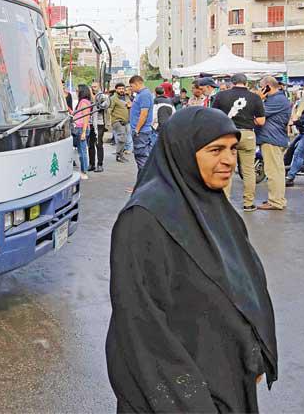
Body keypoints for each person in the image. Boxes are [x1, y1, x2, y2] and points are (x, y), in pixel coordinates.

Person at [106, 108, 278, 413]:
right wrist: (192, 401)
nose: (228, 160)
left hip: (227, 378)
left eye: (232, 149)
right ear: (182, 152)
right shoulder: (145, 218)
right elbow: (141, 324)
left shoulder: (211, 206)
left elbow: (246, 284)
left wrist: (254, 351)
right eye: (215, 150)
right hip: (184, 395)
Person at [212, 73, 266, 212]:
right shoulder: (255, 97)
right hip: (247, 134)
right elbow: (261, 121)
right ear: (246, 83)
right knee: (248, 170)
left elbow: (213, 116)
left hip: (227, 134)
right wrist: (249, 121)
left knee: (226, 168)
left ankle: (225, 203)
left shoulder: (221, 96)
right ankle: (248, 203)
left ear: (232, 83)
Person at [255, 76, 291, 211]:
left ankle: (275, 201)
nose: (259, 89)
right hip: (274, 138)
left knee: (273, 172)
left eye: (261, 86)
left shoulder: (277, 100)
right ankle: (278, 198)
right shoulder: (278, 99)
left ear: (267, 86)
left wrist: (258, 99)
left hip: (272, 139)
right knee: (277, 171)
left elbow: (258, 114)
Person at [128, 75, 154, 174]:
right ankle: (141, 185)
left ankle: (142, 185)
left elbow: (144, 114)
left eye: (132, 86)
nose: (131, 88)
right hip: (140, 131)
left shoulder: (144, 95)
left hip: (141, 132)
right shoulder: (140, 94)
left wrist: (137, 129)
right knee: (141, 158)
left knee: (141, 158)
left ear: (137, 83)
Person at [89, 81, 110, 173]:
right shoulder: (88, 96)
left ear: (99, 87)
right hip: (90, 123)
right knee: (90, 145)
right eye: (92, 87)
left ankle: (100, 164)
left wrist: (93, 97)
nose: (93, 88)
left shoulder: (103, 96)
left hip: (99, 123)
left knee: (99, 144)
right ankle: (91, 164)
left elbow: (102, 106)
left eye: (95, 87)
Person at [73, 85, 93, 180]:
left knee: (82, 151)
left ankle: (84, 171)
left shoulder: (84, 102)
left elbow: (86, 118)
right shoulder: (82, 102)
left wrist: (84, 132)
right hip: (78, 128)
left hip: (81, 129)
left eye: (77, 91)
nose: (76, 93)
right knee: (81, 151)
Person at [109, 83, 130, 163]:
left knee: (124, 139)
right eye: (119, 89)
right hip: (118, 121)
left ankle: (120, 155)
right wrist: (109, 122)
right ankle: (119, 156)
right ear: (116, 89)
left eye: (122, 88)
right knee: (122, 138)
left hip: (126, 121)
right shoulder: (113, 98)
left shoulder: (126, 97)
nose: (121, 90)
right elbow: (109, 110)